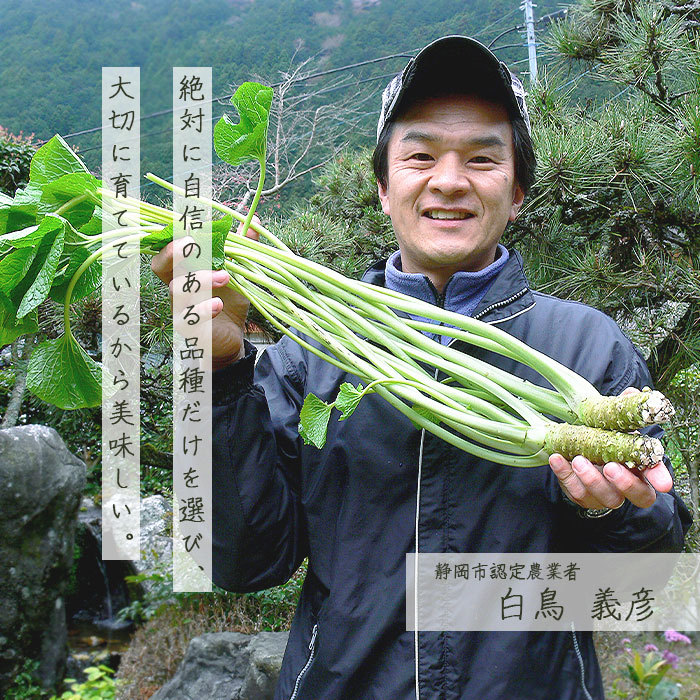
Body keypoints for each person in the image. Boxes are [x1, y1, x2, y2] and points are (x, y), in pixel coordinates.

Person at [153, 36, 691, 700]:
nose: (448, 179)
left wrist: (609, 514)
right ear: (383, 189)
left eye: (483, 158)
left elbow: (645, 576)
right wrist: (221, 372)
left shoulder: (589, 346)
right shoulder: (310, 356)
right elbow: (244, 563)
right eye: (420, 155)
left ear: (518, 192)